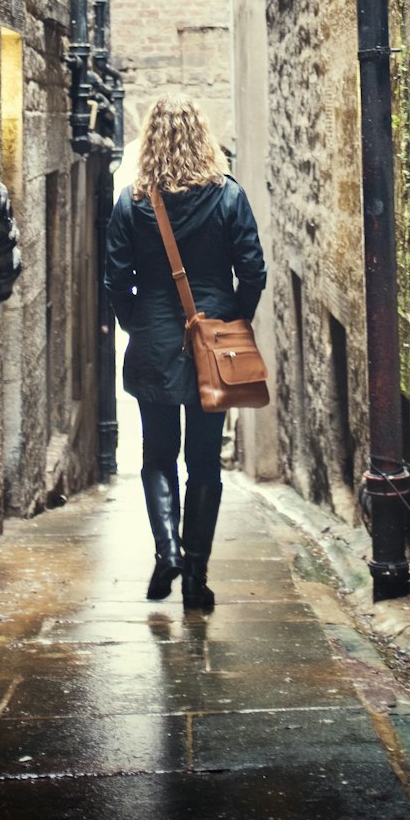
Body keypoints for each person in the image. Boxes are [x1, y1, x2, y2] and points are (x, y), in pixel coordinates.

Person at [104, 95, 267, 611]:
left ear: (150, 140)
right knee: (203, 462)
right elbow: (254, 269)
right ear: (202, 137)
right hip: (212, 345)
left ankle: (168, 550)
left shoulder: (132, 203)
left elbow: (115, 279)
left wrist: (137, 322)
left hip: (153, 339)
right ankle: (196, 577)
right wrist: (232, 322)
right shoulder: (229, 197)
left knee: (156, 455)